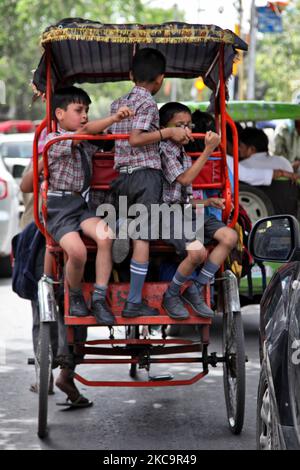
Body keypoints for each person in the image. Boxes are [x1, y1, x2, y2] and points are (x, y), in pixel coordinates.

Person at [110, 48, 190, 318]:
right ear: (161, 80)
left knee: (133, 224)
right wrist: (168, 132)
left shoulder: (116, 104)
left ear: (132, 75)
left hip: (122, 177)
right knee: (143, 237)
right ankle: (133, 301)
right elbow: (135, 138)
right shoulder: (146, 104)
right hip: (146, 177)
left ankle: (122, 227)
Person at [45, 86, 132, 327]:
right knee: (78, 252)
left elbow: (101, 139)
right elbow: (85, 131)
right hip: (57, 206)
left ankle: (99, 296)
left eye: (87, 110)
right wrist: (114, 117)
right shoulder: (54, 139)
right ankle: (74, 296)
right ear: (60, 114)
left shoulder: (85, 143)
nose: (84, 115)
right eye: (78, 110)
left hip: (79, 204)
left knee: (106, 236)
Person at [159, 102, 238, 319]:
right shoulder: (164, 150)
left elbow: (183, 198)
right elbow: (184, 179)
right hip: (166, 215)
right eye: (180, 125)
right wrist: (209, 150)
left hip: (186, 213)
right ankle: (172, 294)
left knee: (230, 237)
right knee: (198, 252)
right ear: (165, 128)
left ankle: (196, 286)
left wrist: (207, 203)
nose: (187, 130)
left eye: (188, 125)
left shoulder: (183, 153)